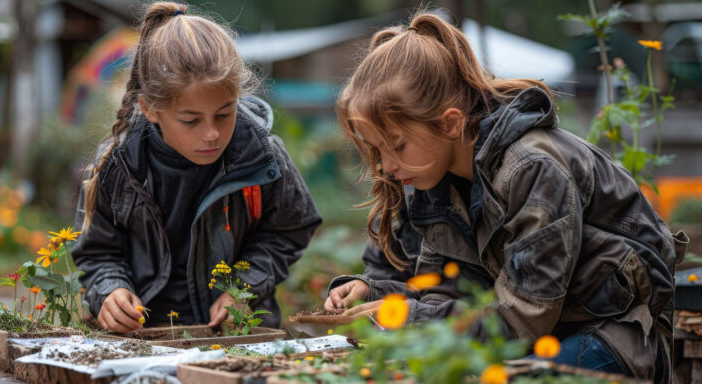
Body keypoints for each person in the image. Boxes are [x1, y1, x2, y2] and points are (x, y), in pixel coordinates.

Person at [324, 11, 687, 383]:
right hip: (540, 334)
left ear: (450, 123)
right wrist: (377, 294)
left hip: (612, 335)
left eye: (397, 145)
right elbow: (447, 295)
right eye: (377, 151)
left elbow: (521, 318)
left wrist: (405, 318)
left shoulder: (531, 170)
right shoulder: (437, 183)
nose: (384, 167)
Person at [72, 1, 321, 334]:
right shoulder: (116, 165)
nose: (211, 134)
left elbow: (290, 230)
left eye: (225, 113)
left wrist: (243, 289)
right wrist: (110, 291)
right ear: (150, 109)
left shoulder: (262, 157)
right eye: (190, 120)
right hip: (142, 339)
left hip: (237, 338)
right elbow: (97, 251)